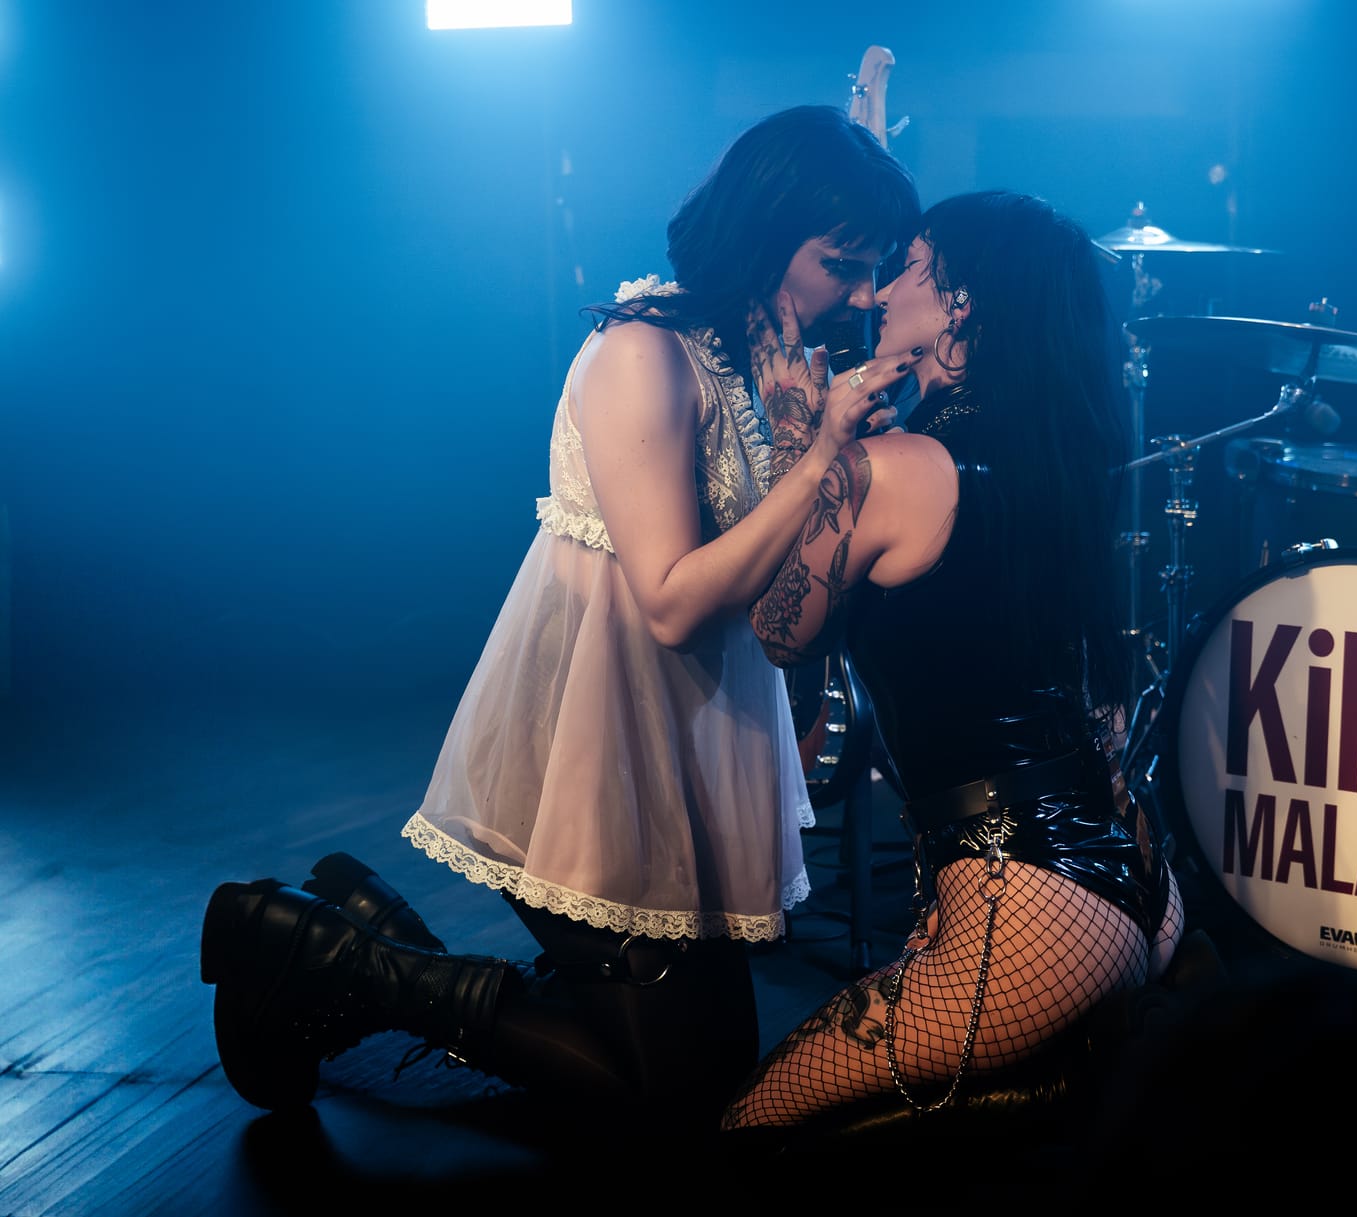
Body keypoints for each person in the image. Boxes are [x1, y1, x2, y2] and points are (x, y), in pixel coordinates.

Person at [198, 104, 921, 1135]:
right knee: (679, 1099)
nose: (860, 293)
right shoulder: (644, 353)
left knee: (708, 1071)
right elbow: (670, 602)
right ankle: (325, 956)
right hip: (596, 747)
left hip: (681, 743)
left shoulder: (747, 358)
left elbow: (768, 574)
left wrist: (820, 447)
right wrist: (820, 463)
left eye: (874, 268)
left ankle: (375, 938)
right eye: (841, 264)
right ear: (765, 235)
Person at [718, 190, 1186, 1134]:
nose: (879, 291)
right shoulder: (1049, 453)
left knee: (750, 1126)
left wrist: (803, 437)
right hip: (1138, 879)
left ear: (959, 304)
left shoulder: (897, 467)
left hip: (1031, 908)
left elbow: (779, 629)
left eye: (909, 268)